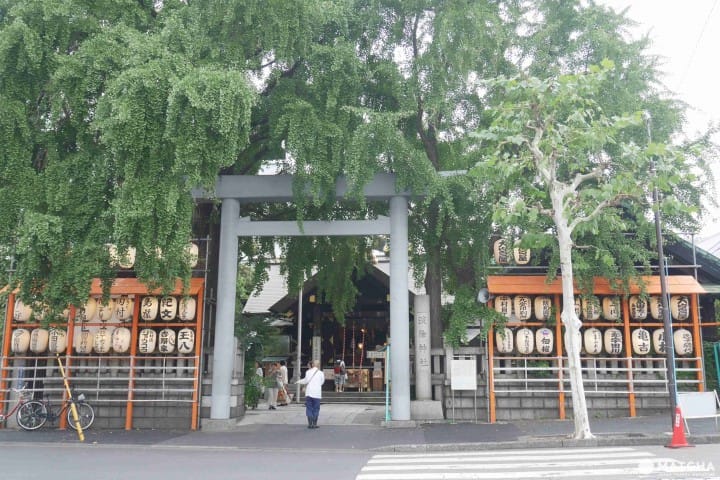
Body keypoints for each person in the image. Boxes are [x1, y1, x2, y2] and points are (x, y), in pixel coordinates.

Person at [295, 359, 325, 429]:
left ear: (312, 364)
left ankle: (310, 424)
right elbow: (322, 382)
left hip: (309, 393)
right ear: (318, 365)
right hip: (317, 393)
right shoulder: (321, 373)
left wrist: (298, 381)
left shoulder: (308, 372)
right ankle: (314, 424)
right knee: (316, 408)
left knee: (309, 408)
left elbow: (305, 381)